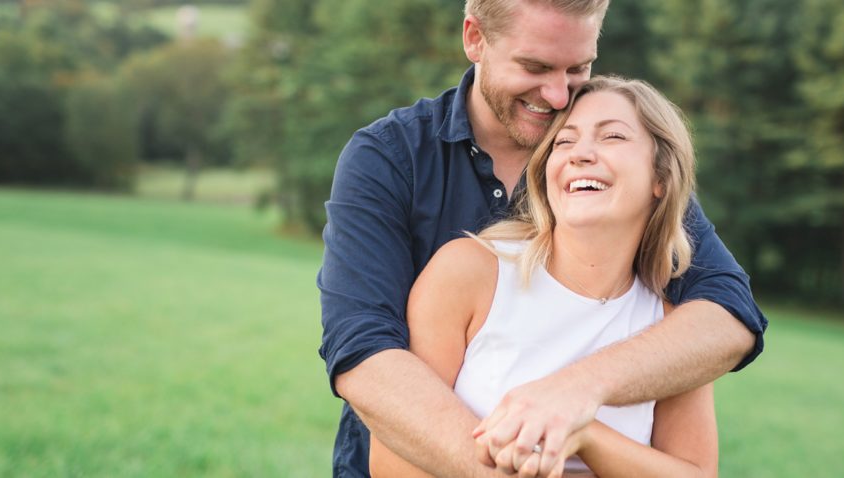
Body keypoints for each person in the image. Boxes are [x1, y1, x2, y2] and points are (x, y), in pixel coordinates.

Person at [318, 0, 767, 476]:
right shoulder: (391, 159)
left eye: (579, 67)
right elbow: (362, 348)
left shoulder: (620, 179)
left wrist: (577, 392)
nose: (558, 96)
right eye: (535, 67)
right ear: (474, 38)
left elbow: (729, 311)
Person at [370, 76, 718, 477]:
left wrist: (586, 433)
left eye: (612, 137)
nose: (580, 154)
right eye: (564, 142)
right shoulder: (469, 272)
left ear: (661, 178)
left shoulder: (674, 323)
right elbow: (391, 462)